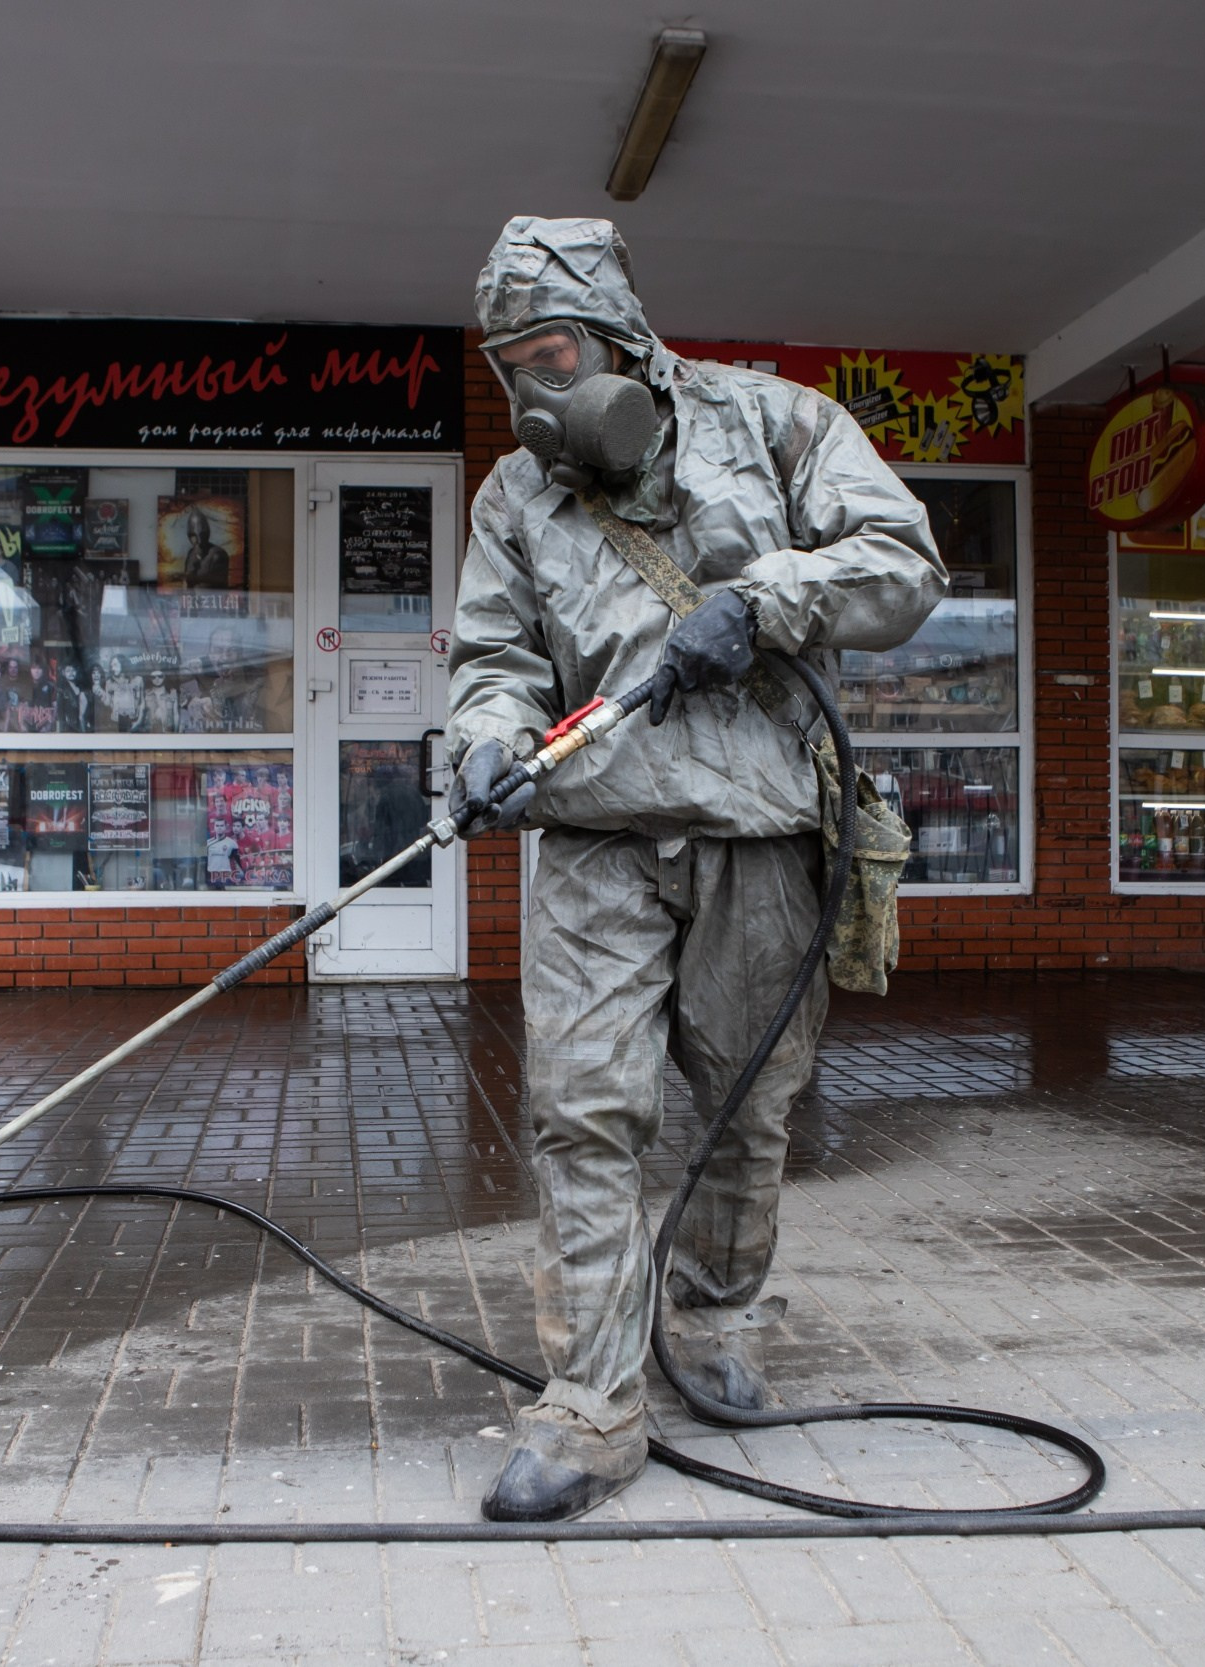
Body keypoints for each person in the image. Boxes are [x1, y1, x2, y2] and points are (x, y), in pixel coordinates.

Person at [444, 216, 944, 1522]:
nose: (538, 392)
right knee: (583, 1112)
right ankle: (595, 1402)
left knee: (745, 1105)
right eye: (512, 369)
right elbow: (493, 660)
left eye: (555, 355)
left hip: (763, 837)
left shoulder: (778, 426)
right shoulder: (517, 496)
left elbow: (902, 567)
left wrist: (767, 598)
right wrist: (487, 745)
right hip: (598, 840)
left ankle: (714, 1326)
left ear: (620, 335)